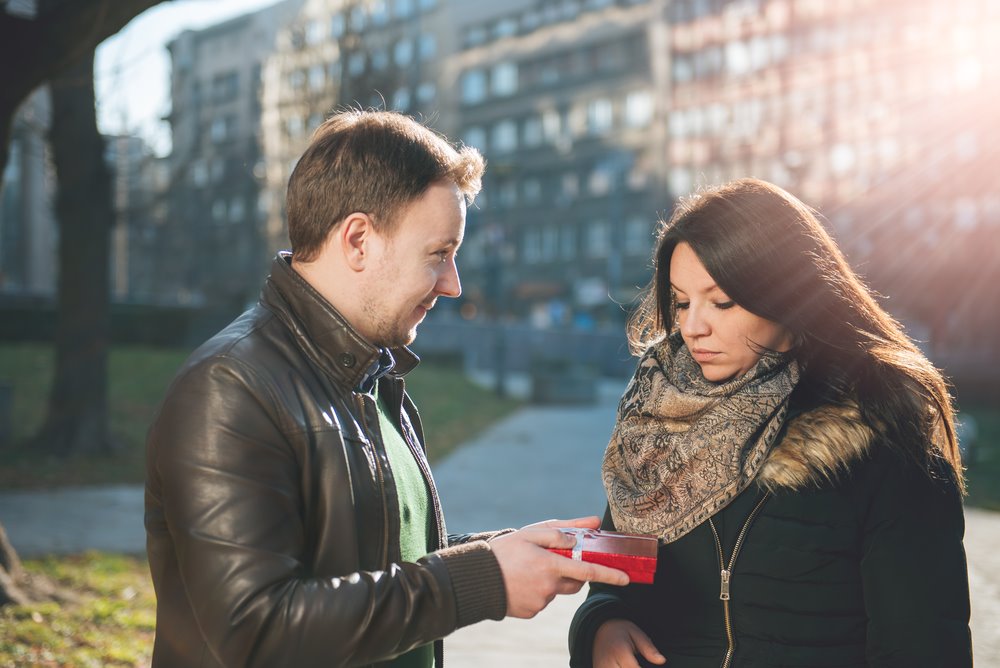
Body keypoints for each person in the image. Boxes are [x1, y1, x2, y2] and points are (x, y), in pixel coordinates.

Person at [144, 110, 628, 668]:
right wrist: (481, 579)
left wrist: (502, 553)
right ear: (358, 241)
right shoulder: (229, 389)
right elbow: (255, 630)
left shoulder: (371, 376)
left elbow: (372, 558)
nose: (453, 284)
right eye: (438, 255)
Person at [569, 178, 972, 667]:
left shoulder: (879, 431)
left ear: (788, 293)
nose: (694, 326)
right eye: (681, 302)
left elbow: (922, 643)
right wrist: (601, 626)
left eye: (721, 302)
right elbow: (610, 579)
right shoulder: (655, 418)